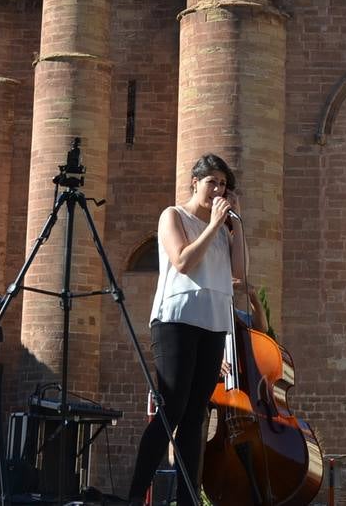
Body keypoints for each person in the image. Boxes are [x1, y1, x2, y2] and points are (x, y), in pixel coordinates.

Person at [126, 154, 248, 506]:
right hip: (176, 321)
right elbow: (182, 260)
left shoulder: (224, 231)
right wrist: (213, 225)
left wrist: (236, 226)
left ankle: (188, 499)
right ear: (195, 183)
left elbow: (239, 274)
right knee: (172, 409)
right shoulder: (173, 216)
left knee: (197, 416)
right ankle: (136, 495)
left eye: (223, 184)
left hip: (212, 323)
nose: (218, 189)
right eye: (212, 182)